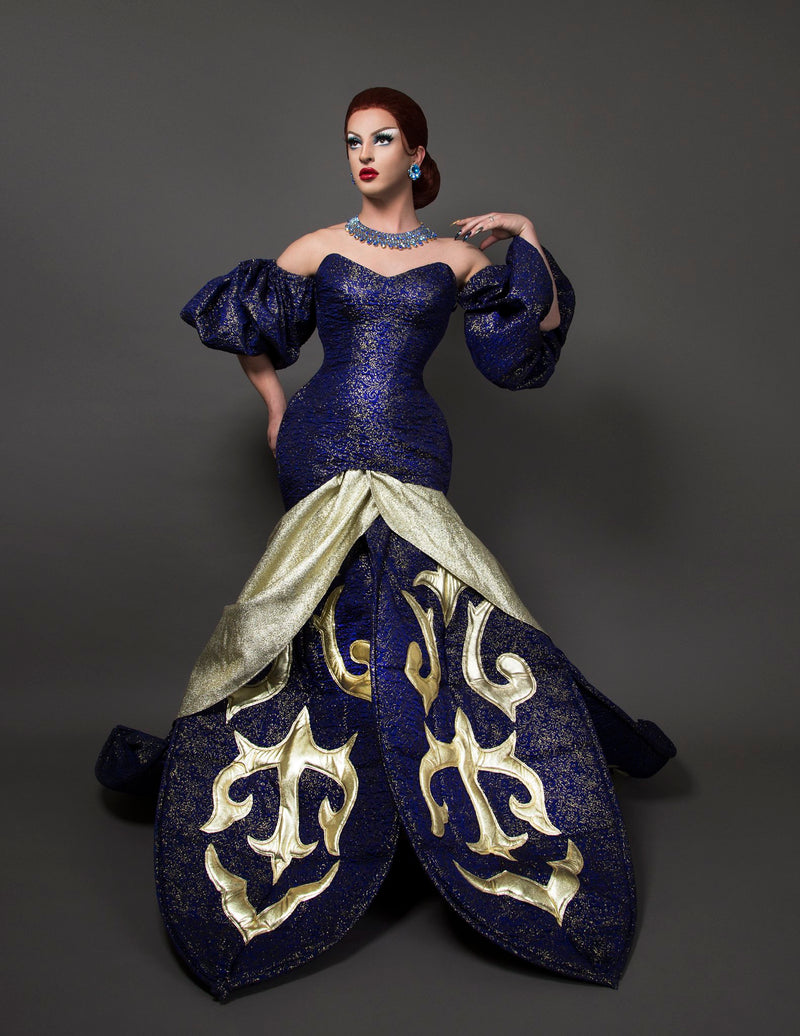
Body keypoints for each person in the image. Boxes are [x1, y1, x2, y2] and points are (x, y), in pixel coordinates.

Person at [97, 86, 675, 1000]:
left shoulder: (456, 258)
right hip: (323, 435)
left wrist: (527, 234)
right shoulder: (315, 247)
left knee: (427, 601)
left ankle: (426, 796)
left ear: (415, 154)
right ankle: (322, 803)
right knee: (315, 605)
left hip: (411, 440)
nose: (364, 154)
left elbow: (533, 339)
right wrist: (277, 409)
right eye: (352, 141)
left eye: (382, 139)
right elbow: (250, 329)